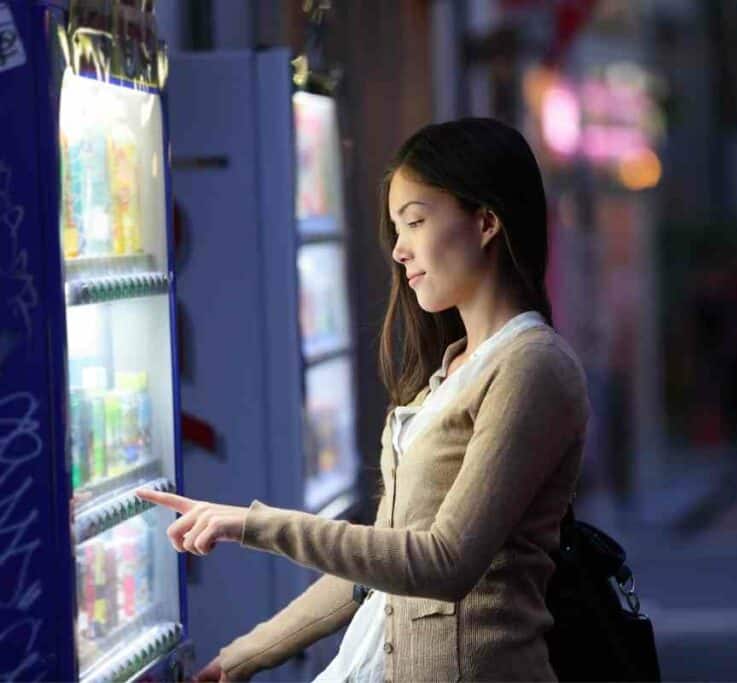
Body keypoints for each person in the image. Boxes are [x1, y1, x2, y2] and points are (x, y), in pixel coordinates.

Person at [138, 118, 590, 682]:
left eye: (416, 222)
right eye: (397, 229)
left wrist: (252, 524)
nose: (399, 250)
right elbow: (372, 573)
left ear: (486, 222)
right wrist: (244, 658)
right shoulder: (448, 371)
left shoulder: (532, 366)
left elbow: (444, 563)